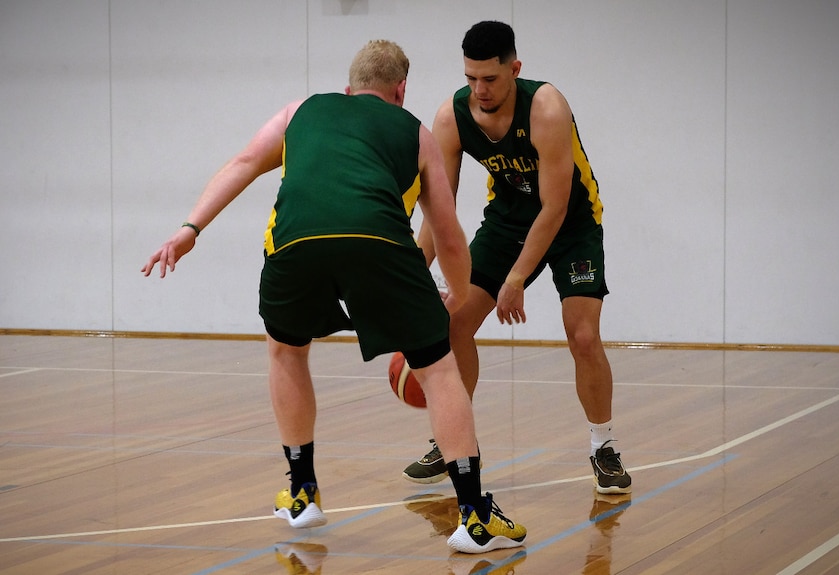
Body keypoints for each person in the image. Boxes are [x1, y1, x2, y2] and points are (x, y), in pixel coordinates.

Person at [142, 39, 526, 554]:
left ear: (349, 88)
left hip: (295, 242)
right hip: (379, 242)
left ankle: (301, 490)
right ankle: (474, 517)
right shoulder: (414, 130)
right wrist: (456, 297)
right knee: (438, 370)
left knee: (286, 350)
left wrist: (190, 228)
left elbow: (242, 162)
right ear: (401, 89)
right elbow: (449, 236)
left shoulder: (299, 110)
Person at [403, 21, 632, 495]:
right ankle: (454, 442)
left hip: (571, 224)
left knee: (583, 335)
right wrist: (408, 279)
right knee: (454, 323)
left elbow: (555, 206)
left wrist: (516, 278)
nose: (479, 90)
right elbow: (437, 211)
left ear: (515, 68)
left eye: (490, 78)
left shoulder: (547, 107)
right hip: (507, 223)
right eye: (470, 78)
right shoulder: (452, 117)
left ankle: (603, 446)